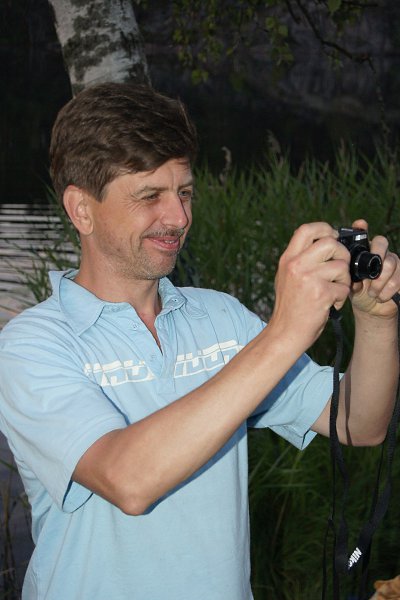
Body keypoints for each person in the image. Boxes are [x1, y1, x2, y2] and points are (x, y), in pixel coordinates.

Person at [0, 82, 399, 600]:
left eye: (184, 192)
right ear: (81, 209)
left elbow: (360, 423)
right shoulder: (31, 344)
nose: (179, 218)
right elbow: (129, 480)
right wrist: (284, 332)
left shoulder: (221, 319)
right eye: (150, 196)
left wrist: (377, 320)